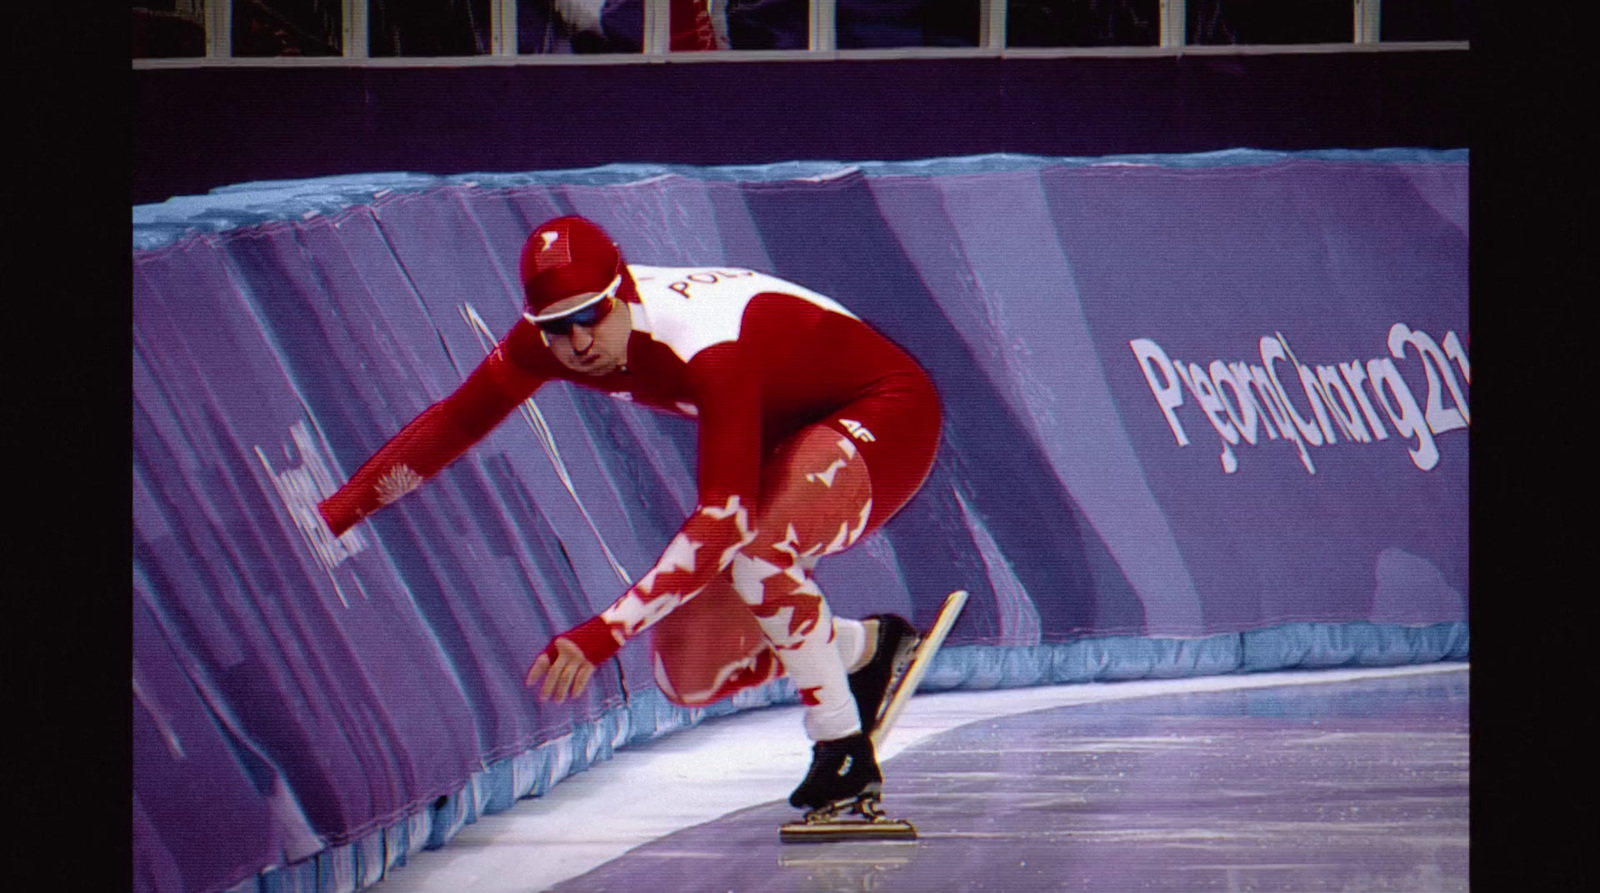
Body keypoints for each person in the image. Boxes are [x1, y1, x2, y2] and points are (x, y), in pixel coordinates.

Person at [316, 215, 942, 814]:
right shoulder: (544, 344)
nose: (579, 342)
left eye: (592, 316)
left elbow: (723, 522)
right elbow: (453, 424)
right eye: (557, 327)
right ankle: (866, 648)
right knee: (690, 676)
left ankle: (840, 744)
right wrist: (334, 518)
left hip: (884, 411)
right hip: (784, 433)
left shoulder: (704, 341)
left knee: (755, 553)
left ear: (624, 293)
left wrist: (600, 635)